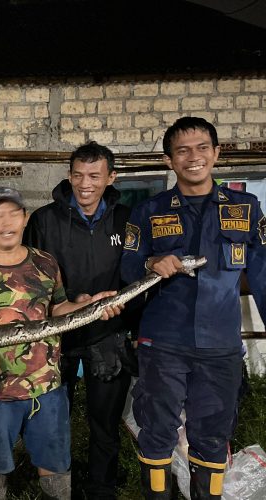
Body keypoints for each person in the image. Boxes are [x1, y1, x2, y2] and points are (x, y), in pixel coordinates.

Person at [121, 116, 266, 500]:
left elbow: (265, 276)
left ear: (216, 154)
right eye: (182, 150)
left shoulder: (247, 208)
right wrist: (152, 263)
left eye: (202, 147)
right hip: (163, 343)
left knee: (213, 438)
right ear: (170, 160)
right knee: (157, 434)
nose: (193, 157)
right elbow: (127, 268)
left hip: (220, 347)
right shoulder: (149, 210)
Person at [0, 187, 122, 500]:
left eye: (14, 213)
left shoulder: (45, 263)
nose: (7, 221)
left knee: (55, 466)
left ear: (25, 218)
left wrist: (90, 306)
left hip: (47, 388)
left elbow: (57, 309)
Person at [23, 141, 135, 499]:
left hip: (109, 333)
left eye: (94, 175)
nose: (85, 183)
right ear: (69, 176)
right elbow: (30, 280)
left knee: (105, 422)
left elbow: (136, 272)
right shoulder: (44, 220)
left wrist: (124, 307)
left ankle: (101, 488)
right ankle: (56, 485)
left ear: (110, 177)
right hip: (59, 335)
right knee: (53, 420)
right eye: (77, 175)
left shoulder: (126, 219)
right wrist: (69, 304)